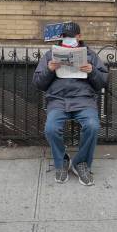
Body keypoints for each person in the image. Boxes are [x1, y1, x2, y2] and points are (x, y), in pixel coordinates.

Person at [32, 22, 109, 186]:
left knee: (92, 126)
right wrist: (49, 69)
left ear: (79, 37)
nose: (68, 39)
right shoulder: (50, 55)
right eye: (65, 36)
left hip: (84, 100)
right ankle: (62, 162)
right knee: (51, 128)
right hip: (58, 100)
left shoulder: (90, 55)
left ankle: (80, 163)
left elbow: (103, 81)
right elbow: (38, 83)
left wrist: (92, 71)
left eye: (71, 36)